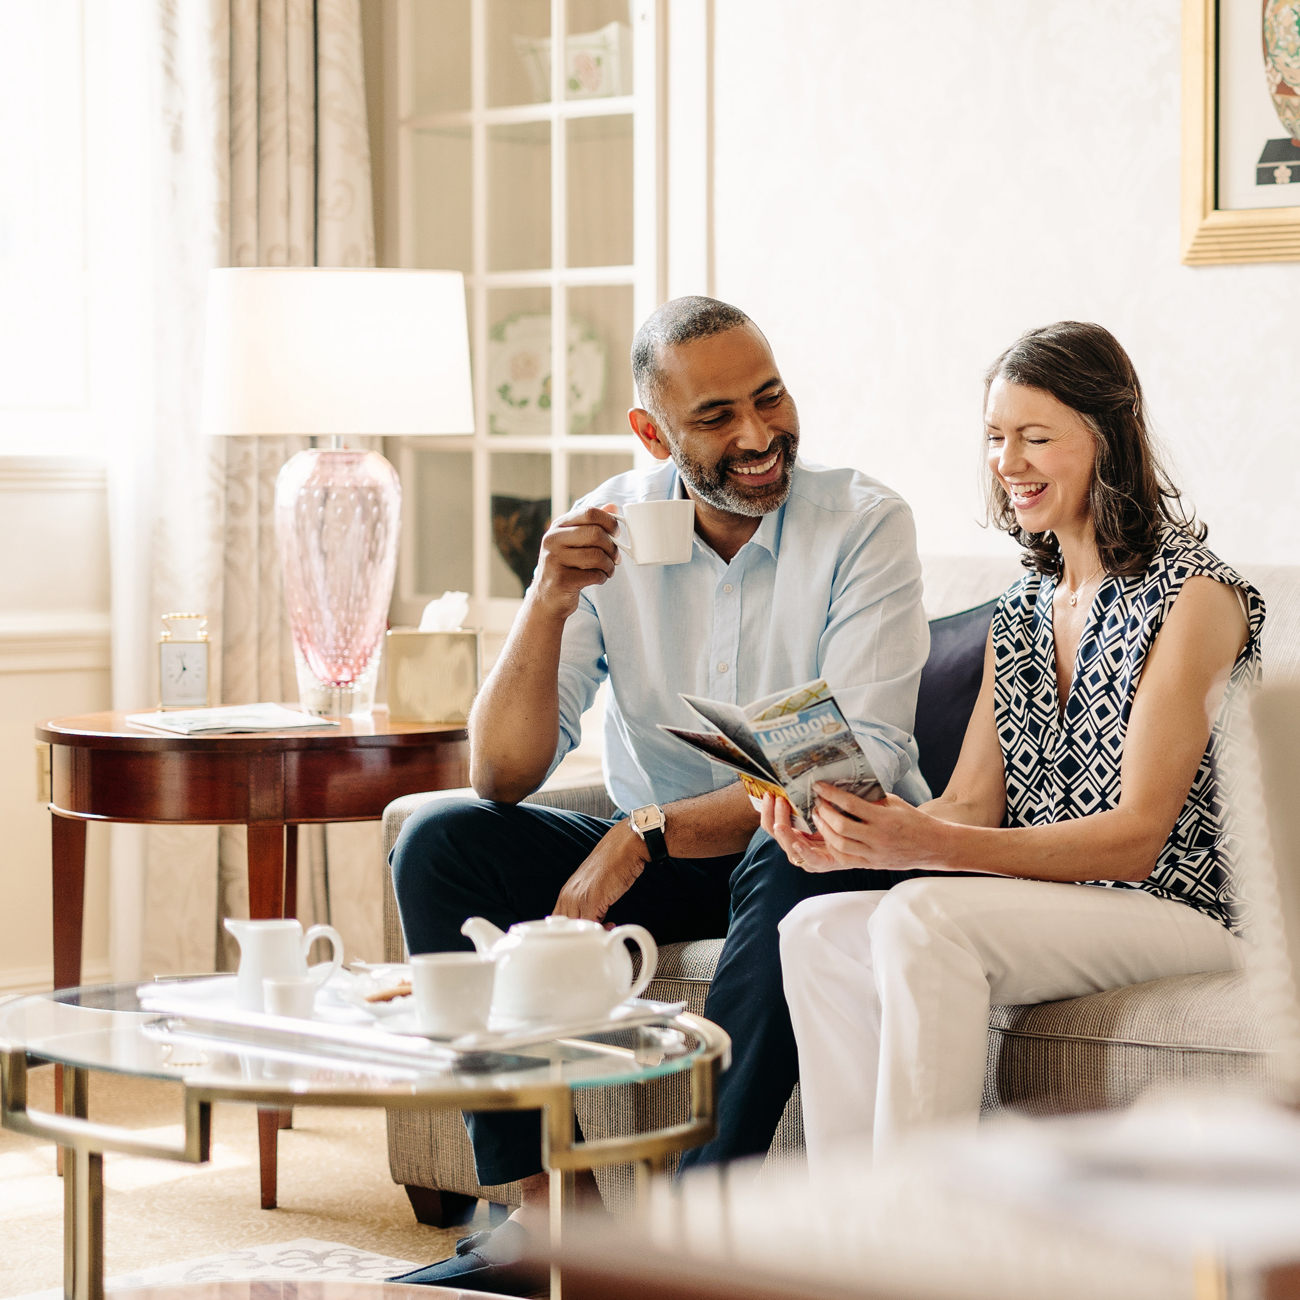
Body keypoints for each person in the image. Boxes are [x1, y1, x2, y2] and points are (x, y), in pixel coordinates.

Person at [387, 296, 931, 1291]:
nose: (758, 435)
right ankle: (553, 1224)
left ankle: (684, 1241)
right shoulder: (615, 528)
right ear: (651, 432)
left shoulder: (863, 524)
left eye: (770, 398)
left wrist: (643, 829)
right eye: (716, 417)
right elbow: (500, 773)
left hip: (820, 855)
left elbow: (849, 766)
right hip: (675, 870)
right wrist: (547, 601)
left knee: (793, 838)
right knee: (439, 840)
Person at [770, 321, 1266, 1178]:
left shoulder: (1195, 596)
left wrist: (926, 847)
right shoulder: (1025, 605)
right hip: (1055, 907)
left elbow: (1136, 837)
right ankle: (848, 1225)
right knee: (815, 927)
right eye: (996, 437)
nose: (1008, 462)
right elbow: (969, 804)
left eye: (1036, 437)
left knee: (924, 918)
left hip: (1183, 911)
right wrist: (857, 835)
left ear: (1109, 438)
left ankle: (921, 1229)